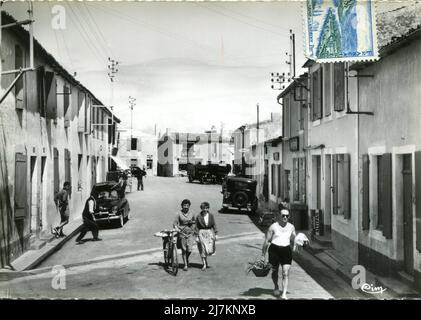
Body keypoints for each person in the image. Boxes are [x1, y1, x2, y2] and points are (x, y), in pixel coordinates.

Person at [261, 208, 296, 299]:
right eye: (283, 215)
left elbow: (294, 239)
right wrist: (263, 255)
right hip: (274, 250)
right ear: (279, 216)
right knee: (274, 271)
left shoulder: (291, 227)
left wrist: (298, 241)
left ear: (289, 217)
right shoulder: (273, 226)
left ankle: (284, 293)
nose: (285, 217)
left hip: (286, 250)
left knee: (285, 272)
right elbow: (267, 241)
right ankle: (276, 286)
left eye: (287, 216)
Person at [173, 199, 196, 271]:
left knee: (189, 250)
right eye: (184, 205)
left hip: (190, 233)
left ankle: (186, 258)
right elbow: (175, 223)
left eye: (187, 205)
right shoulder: (178, 213)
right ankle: (185, 265)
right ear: (182, 206)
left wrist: (192, 225)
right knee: (184, 250)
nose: (186, 207)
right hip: (182, 233)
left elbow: (195, 222)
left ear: (189, 206)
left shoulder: (192, 213)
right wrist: (177, 229)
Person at [195, 202, 218, 271]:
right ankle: (204, 263)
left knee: (209, 250)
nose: (205, 209)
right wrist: (196, 236)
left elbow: (214, 225)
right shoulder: (198, 216)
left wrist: (216, 234)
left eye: (206, 208)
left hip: (209, 232)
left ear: (208, 208)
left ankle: (206, 260)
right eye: (203, 208)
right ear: (201, 208)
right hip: (201, 233)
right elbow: (196, 226)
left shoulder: (211, 215)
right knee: (202, 249)